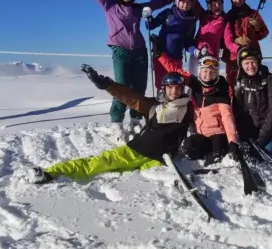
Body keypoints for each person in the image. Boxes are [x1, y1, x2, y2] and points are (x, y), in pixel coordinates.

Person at [33, 68, 192, 184]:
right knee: (99, 164)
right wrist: (108, 85)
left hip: (160, 158)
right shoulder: (153, 106)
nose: (174, 91)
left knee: (140, 175)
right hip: (135, 150)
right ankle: (51, 173)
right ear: (164, 89)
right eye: (170, 87)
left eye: (178, 87)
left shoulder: (189, 108)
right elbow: (130, 97)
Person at [83, 0, 176, 129]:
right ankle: (117, 122)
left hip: (140, 52)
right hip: (121, 52)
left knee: (139, 89)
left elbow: (155, 3)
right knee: (121, 87)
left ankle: (135, 121)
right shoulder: (109, 5)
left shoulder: (137, 8)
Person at [180, 56, 241, 165]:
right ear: (200, 71)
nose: (208, 74)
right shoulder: (195, 85)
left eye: (212, 72)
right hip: (201, 134)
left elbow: (227, 118)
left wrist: (233, 141)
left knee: (216, 156)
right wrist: (161, 55)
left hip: (218, 133)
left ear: (216, 74)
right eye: (205, 71)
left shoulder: (221, 90)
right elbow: (176, 70)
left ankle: (220, 153)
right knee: (189, 148)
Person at [143, 0, 198, 90]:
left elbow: (188, 41)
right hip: (160, 55)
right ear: (177, 2)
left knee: (176, 85)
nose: (185, 4)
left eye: (188, 2)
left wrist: (194, 50)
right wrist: (148, 17)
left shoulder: (191, 19)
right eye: (183, 1)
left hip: (176, 57)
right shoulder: (169, 13)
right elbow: (150, 26)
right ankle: (160, 105)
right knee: (161, 85)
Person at [232, 46, 272, 159]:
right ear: (240, 64)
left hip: (271, 124)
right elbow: (239, 111)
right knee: (248, 151)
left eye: (253, 62)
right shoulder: (239, 83)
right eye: (246, 63)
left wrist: (263, 136)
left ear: (259, 62)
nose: (250, 66)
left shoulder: (270, 79)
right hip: (252, 125)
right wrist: (244, 135)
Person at [222, 0, 269, 90]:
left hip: (253, 53)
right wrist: (237, 40)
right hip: (233, 58)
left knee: (255, 84)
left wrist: (258, 26)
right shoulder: (228, 16)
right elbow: (226, 37)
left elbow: (264, 33)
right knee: (233, 85)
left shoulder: (253, 13)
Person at [186, 0, 237, 74]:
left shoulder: (224, 20)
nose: (218, 6)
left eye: (220, 4)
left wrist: (238, 49)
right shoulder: (203, 16)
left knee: (209, 82)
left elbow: (229, 41)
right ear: (209, 6)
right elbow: (194, 2)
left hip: (211, 57)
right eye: (214, 4)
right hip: (196, 54)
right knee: (193, 81)